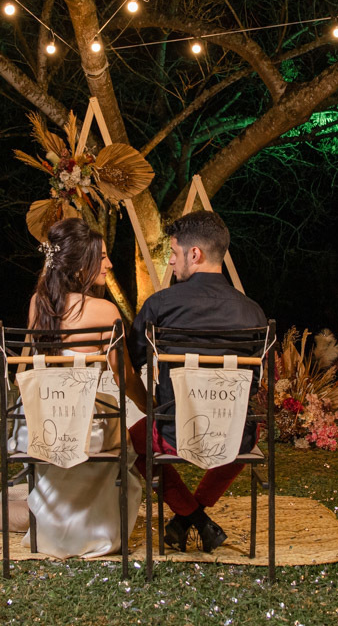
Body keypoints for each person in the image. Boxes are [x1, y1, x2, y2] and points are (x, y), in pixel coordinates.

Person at [128, 210, 267, 553]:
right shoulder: (254, 313)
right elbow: (259, 379)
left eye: (174, 254)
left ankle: (189, 515)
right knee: (250, 430)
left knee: (133, 438)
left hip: (174, 434)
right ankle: (197, 517)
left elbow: (134, 357)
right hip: (235, 437)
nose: (172, 263)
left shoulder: (160, 305)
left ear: (195, 254)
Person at [15, 218, 145, 559]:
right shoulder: (104, 311)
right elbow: (124, 377)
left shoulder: (37, 305)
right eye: (101, 256)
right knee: (123, 424)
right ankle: (95, 530)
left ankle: (57, 529)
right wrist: (148, 403)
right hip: (87, 431)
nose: (109, 264)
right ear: (79, 265)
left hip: (44, 426)